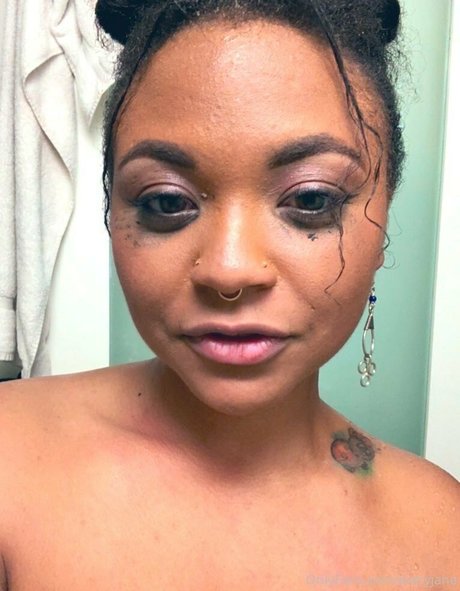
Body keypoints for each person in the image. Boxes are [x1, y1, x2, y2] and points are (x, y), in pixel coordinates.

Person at [0, 0, 458, 588]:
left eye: (311, 199)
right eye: (166, 201)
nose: (228, 269)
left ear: (384, 212)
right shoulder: (13, 463)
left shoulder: (440, 531)